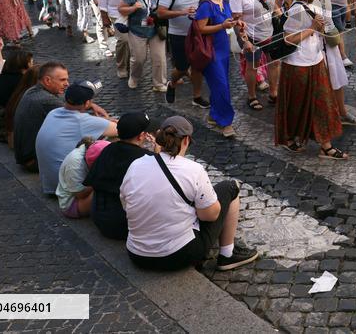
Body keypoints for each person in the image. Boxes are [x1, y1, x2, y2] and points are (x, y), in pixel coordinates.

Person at [120, 116, 259, 271]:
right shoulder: (194, 170)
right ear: (186, 140)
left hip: (137, 255)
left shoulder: (136, 165)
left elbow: (126, 205)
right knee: (230, 187)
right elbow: (210, 216)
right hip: (177, 255)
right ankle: (227, 254)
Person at [275, 0, 347, 158]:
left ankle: (325, 145)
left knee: (323, 102)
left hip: (315, 60)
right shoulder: (297, 10)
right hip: (297, 64)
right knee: (297, 104)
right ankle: (291, 138)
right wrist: (312, 28)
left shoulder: (314, 4)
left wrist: (319, 29)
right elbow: (288, 39)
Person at [85, 112, 159, 239]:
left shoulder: (108, 149)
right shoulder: (147, 158)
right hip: (126, 226)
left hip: (99, 218)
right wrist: (158, 153)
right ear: (141, 136)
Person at [35, 81, 116, 195]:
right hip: (68, 189)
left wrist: (101, 118)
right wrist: (107, 120)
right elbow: (121, 128)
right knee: (116, 139)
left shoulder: (53, 113)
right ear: (87, 103)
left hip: (50, 184)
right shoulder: (82, 121)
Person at [193, 0, 243, 138]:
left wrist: (236, 22)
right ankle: (226, 122)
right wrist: (222, 26)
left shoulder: (224, 1)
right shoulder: (206, 5)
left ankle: (214, 115)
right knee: (221, 86)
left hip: (223, 49)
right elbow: (201, 28)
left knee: (221, 84)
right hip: (211, 51)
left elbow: (227, 20)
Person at [157, 0, 208, 107]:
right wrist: (182, 12)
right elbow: (161, 13)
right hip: (178, 34)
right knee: (182, 68)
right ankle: (172, 83)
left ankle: (197, 96)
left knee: (197, 67)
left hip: (197, 33)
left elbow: (208, 4)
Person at [230, 0, 279, 110]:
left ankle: (273, 93)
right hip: (251, 34)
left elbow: (272, 3)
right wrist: (245, 41)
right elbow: (236, 20)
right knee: (253, 66)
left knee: (274, 62)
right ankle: (251, 96)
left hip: (269, 30)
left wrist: (280, 15)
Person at [13, 61, 71, 171]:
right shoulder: (47, 100)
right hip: (34, 161)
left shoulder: (32, 90)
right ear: (47, 80)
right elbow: (77, 119)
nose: (67, 84)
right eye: (62, 80)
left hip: (25, 156)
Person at [118, 0, 167, 92]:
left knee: (159, 58)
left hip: (156, 30)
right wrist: (133, 8)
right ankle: (134, 77)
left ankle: (159, 83)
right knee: (139, 59)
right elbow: (121, 9)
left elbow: (164, 9)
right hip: (137, 31)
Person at [98, 0, 139, 80]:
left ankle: (132, 65)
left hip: (135, 11)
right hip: (116, 12)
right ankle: (121, 66)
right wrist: (104, 16)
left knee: (135, 41)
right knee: (123, 40)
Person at [0, 50, 32, 144]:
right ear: (25, 64)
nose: (32, 65)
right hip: (8, 133)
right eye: (31, 62)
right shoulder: (20, 82)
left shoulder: (0, 78)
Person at [56, 138, 108, 219]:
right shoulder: (75, 163)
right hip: (72, 203)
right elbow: (80, 194)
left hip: (84, 191)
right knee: (106, 187)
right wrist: (101, 180)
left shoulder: (95, 147)